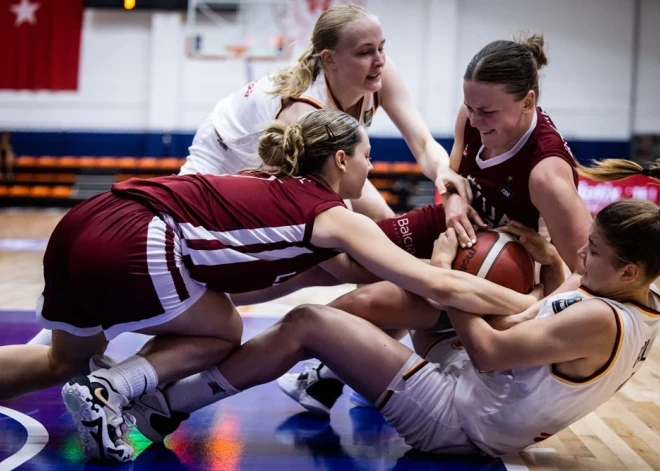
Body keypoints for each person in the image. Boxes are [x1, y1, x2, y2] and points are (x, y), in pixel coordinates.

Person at [0, 110, 536, 463]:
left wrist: (446, 216)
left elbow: (353, 272)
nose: (371, 169)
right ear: (342, 161)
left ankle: (100, 383)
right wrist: (531, 304)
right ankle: (111, 390)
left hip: (84, 222)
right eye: (368, 158)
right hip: (140, 236)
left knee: (62, 360)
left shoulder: (272, 184)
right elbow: (436, 285)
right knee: (223, 330)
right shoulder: (331, 214)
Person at [125, 188, 660, 457]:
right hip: (483, 393)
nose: (581, 257)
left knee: (307, 320)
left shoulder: (597, 318)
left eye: (590, 251)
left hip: (458, 423)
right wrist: (548, 258)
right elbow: (540, 308)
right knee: (409, 299)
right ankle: (326, 374)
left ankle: (168, 405)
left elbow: (491, 352)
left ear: (628, 269)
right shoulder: (633, 299)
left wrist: (446, 276)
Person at [180, 3, 468, 220]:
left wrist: (443, 171)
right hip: (223, 150)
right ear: (330, 59)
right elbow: (346, 195)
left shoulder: (381, 72)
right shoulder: (308, 110)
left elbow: (422, 143)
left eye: (381, 47)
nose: (379, 60)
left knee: (374, 236)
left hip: (264, 156)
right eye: (365, 52)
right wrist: (396, 230)